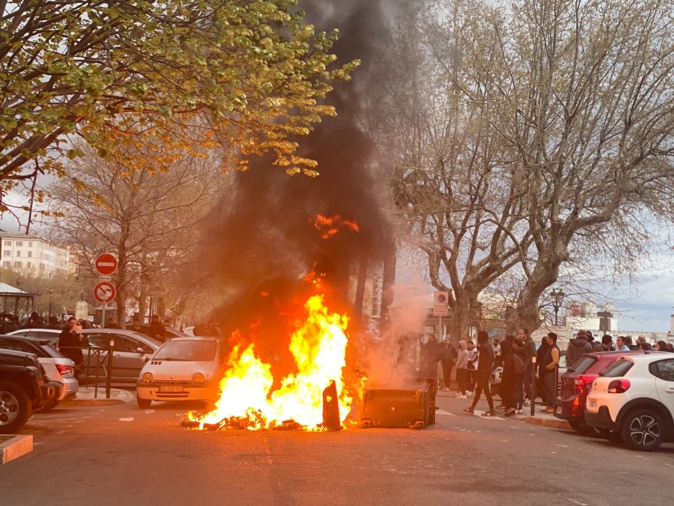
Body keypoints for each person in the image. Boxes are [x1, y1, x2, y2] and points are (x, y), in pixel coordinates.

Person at [463, 331, 496, 416]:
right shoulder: (489, 346)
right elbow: (492, 358)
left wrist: (479, 371)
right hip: (487, 370)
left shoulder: (483, 347)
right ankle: (472, 407)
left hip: (483, 371)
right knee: (479, 390)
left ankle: (491, 410)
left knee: (484, 390)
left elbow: (482, 361)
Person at [542, 332, 560, 413]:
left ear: (551, 339)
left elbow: (555, 361)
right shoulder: (550, 347)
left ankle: (553, 406)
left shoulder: (554, 349)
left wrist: (547, 367)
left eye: (548, 337)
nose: (546, 339)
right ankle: (549, 405)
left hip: (551, 372)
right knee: (548, 390)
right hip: (547, 372)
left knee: (552, 390)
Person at [518, 328, 536, 405]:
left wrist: (528, 363)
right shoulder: (524, 342)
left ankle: (529, 397)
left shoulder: (530, 343)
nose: (520, 335)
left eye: (521, 334)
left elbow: (533, 354)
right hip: (524, 363)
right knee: (523, 381)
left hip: (528, 365)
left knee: (526, 381)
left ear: (525, 334)